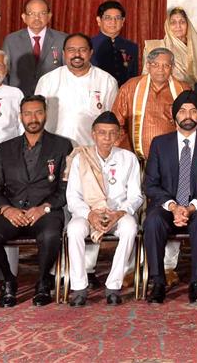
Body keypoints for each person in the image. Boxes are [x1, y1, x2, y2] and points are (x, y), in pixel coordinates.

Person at [0, 94, 73, 307]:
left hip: (45, 213)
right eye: (28, 113)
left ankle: (42, 283)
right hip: (12, 212)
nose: (33, 118)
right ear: (20, 116)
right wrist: (6, 209)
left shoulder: (61, 146)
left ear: (46, 115)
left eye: (38, 112)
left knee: (51, 235)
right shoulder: (4, 149)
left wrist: (45, 208)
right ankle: (7, 282)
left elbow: (65, 187)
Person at [142, 91, 197, 304]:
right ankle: (158, 282)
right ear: (174, 115)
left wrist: (191, 207)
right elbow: (150, 184)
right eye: (183, 111)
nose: (188, 116)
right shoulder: (160, 144)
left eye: (193, 111)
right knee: (152, 221)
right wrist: (174, 206)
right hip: (167, 205)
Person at [65, 112, 142, 306]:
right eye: (102, 133)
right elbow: (73, 196)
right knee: (74, 230)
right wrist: (89, 214)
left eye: (112, 133)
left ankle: (114, 285)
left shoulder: (129, 158)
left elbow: (135, 196)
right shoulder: (80, 158)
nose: (107, 138)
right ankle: (79, 287)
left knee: (130, 228)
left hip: (117, 212)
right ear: (93, 134)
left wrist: (119, 213)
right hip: (88, 212)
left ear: (119, 135)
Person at [35, 32, 121, 147]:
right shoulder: (48, 80)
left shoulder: (107, 81)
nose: (77, 54)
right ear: (63, 53)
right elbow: (36, 116)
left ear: (91, 53)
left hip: (91, 150)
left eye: (82, 50)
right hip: (53, 151)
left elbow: (113, 120)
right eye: (71, 50)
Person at [112, 47, 190, 160]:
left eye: (166, 65)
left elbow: (191, 125)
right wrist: (125, 155)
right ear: (148, 66)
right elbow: (116, 124)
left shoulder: (183, 89)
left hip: (172, 160)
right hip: (136, 160)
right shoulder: (131, 87)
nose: (160, 69)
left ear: (172, 68)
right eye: (155, 65)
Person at [2, 0, 68, 90]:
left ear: (49, 16)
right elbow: (4, 71)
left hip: (52, 96)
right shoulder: (11, 40)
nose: (37, 18)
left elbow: (68, 71)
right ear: (24, 17)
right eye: (32, 13)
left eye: (42, 13)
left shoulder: (62, 39)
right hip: (20, 96)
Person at [145, 7, 197, 85]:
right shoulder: (156, 47)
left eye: (182, 22)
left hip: (196, 94)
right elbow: (146, 78)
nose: (178, 26)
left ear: (188, 25)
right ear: (167, 25)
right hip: (166, 93)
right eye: (173, 22)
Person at [91, 0, 138, 85]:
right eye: (108, 17)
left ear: (123, 21)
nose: (113, 22)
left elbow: (134, 77)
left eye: (118, 18)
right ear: (99, 20)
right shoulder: (89, 45)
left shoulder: (132, 47)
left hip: (124, 94)